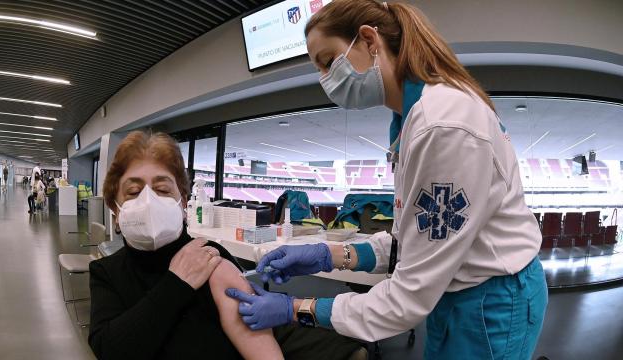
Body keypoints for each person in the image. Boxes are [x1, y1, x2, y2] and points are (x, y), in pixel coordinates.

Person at [226, 2, 548, 359]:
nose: (324, 80)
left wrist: (297, 309)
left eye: (329, 61)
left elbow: (409, 295)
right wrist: (327, 255)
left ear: (367, 39)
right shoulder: (408, 121)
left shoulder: (443, 125)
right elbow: (406, 244)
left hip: (491, 300)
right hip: (456, 291)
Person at [89, 131, 362, 360]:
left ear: (183, 201)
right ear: (115, 206)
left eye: (162, 190)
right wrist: (175, 285)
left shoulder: (210, 257)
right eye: (134, 192)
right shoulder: (105, 272)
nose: (149, 201)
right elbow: (111, 351)